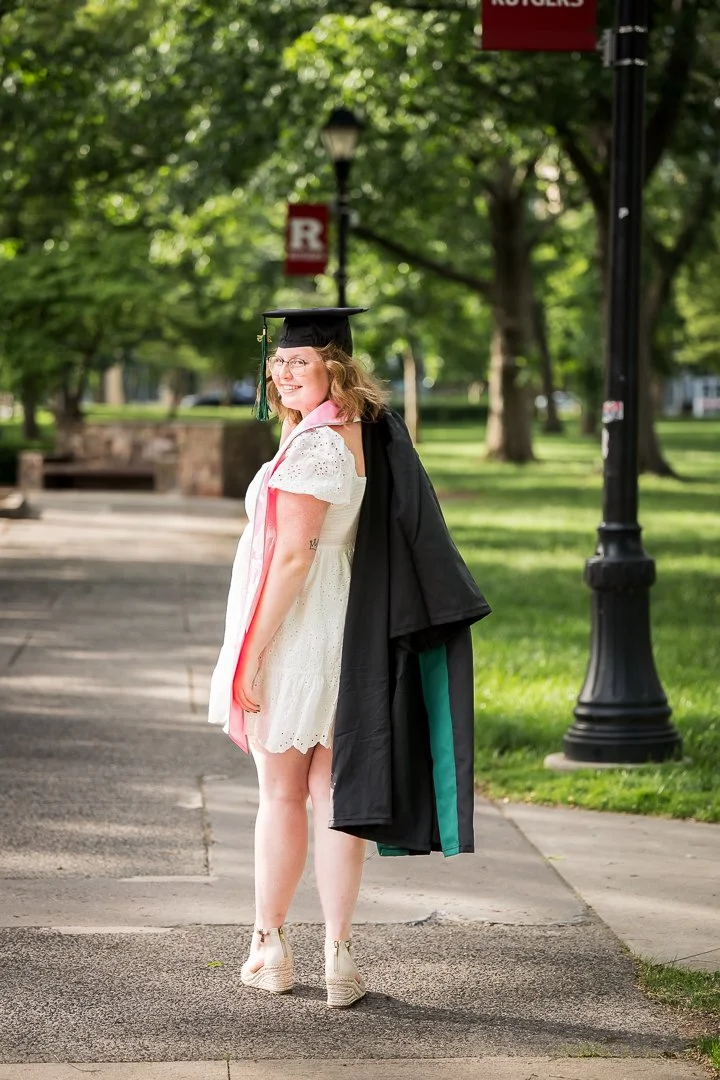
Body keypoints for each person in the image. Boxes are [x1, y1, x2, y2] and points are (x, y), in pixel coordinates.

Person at [208, 307, 491, 1008]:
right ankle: (340, 957)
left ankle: (269, 949)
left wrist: (253, 651)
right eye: (278, 363)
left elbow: (295, 557)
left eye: (299, 362)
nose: (282, 372)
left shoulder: (315, 449)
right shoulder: (362, 433)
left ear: (335, 366)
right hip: (349, 628)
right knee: (334, 795)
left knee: (282, 794)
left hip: (302, 630)